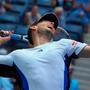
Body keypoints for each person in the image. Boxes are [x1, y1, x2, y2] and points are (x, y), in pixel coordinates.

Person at [0, 13, 90, 90]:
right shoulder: (17, 55)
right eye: (46, 20)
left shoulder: (64, 44)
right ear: (33, 27)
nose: (52, 23)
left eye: (54, 25)